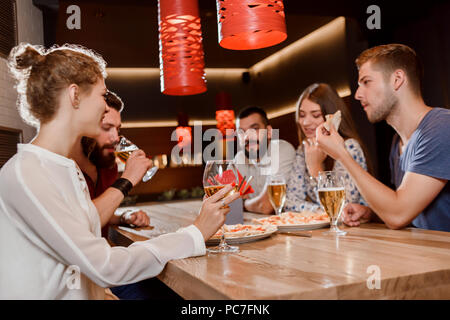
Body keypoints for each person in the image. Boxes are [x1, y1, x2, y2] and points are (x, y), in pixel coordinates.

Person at [0, 43, 240, 299]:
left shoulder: (64, 168)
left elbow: (79, 260)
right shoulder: (27, 174)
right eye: (102, 95)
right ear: (74, 96)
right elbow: (105, 266)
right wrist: (195, 233)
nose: (105, 107)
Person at [316, 44, 450, 232]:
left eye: (366, 82)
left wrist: (342, 155)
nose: (357, 94)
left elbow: (398, 215)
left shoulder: (442, 127)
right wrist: (371, 213)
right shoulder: (398, 142)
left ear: (397, 80)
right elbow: (411, 211)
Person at [70, 90, 150, 237]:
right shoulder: (65, 168)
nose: (115, 138)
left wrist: (123, 217)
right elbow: (81, 224)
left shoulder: (108, 166)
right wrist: (127, 180)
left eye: (118, 128)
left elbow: (99, 212)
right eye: (106, 128)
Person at [284, 83, 370, 212]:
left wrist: (315, 168)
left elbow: (342, 209)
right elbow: (289, 203)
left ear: (332, 117)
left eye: (316, 115)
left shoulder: (349, 147)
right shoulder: (304, 149)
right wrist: (318, 211)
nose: (306, 122)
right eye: (302, 115)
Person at [234, 106, 296, 214]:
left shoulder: (282, 150)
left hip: (292, 224)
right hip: (257, 226)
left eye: (254, 129)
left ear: (268, 132)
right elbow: (227, 201)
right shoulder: (239, 158)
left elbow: (266, 206)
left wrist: (243, 203)